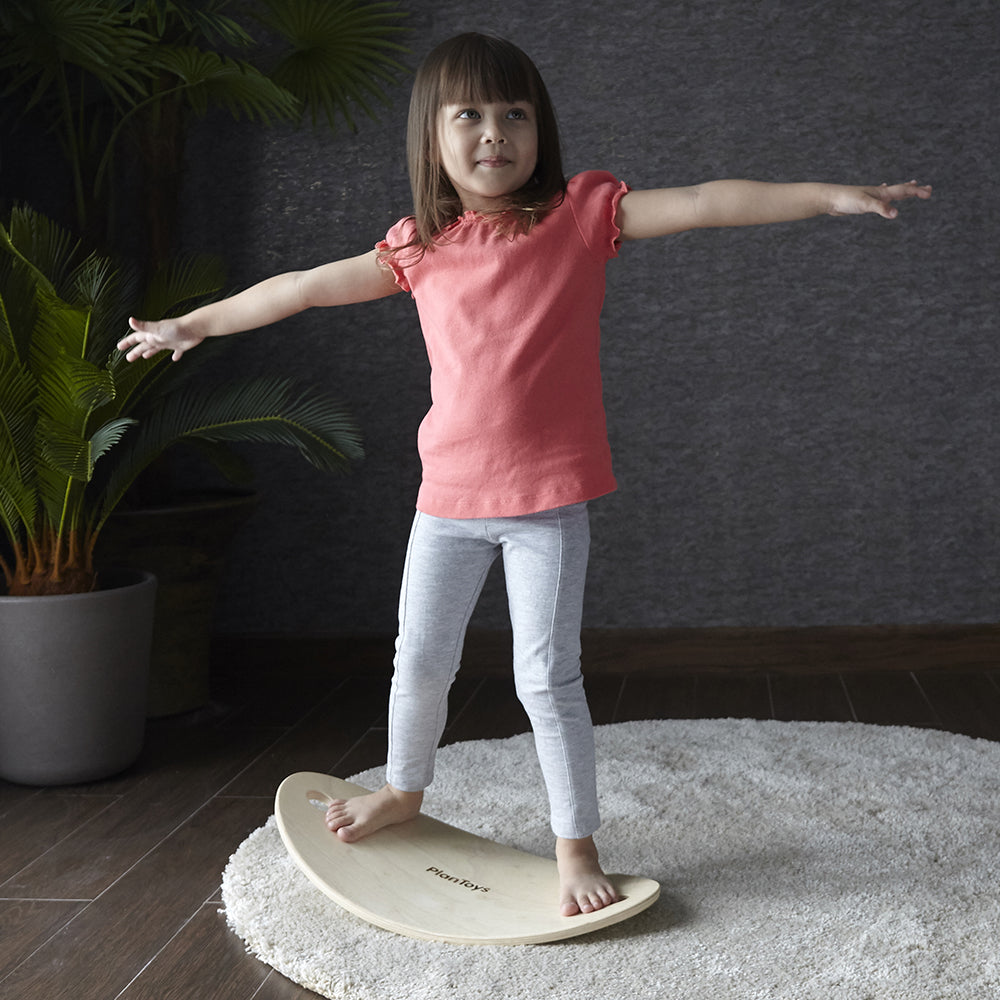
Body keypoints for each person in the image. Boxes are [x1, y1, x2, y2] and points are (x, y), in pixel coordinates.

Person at [118, 32, 931, 918]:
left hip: (546, 505)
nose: (494, 133)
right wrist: (195, 323)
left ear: (540, 129)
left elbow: (704, 201)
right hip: (447, 502)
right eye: (468, 115)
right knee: (419, 659)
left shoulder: (579, 216)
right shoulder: (418, 249)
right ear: (431, 137)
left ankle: (576, 846)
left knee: (545, 677)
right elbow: (305, 286)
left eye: (514, 114)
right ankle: (403, 790)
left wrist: (830, 196)